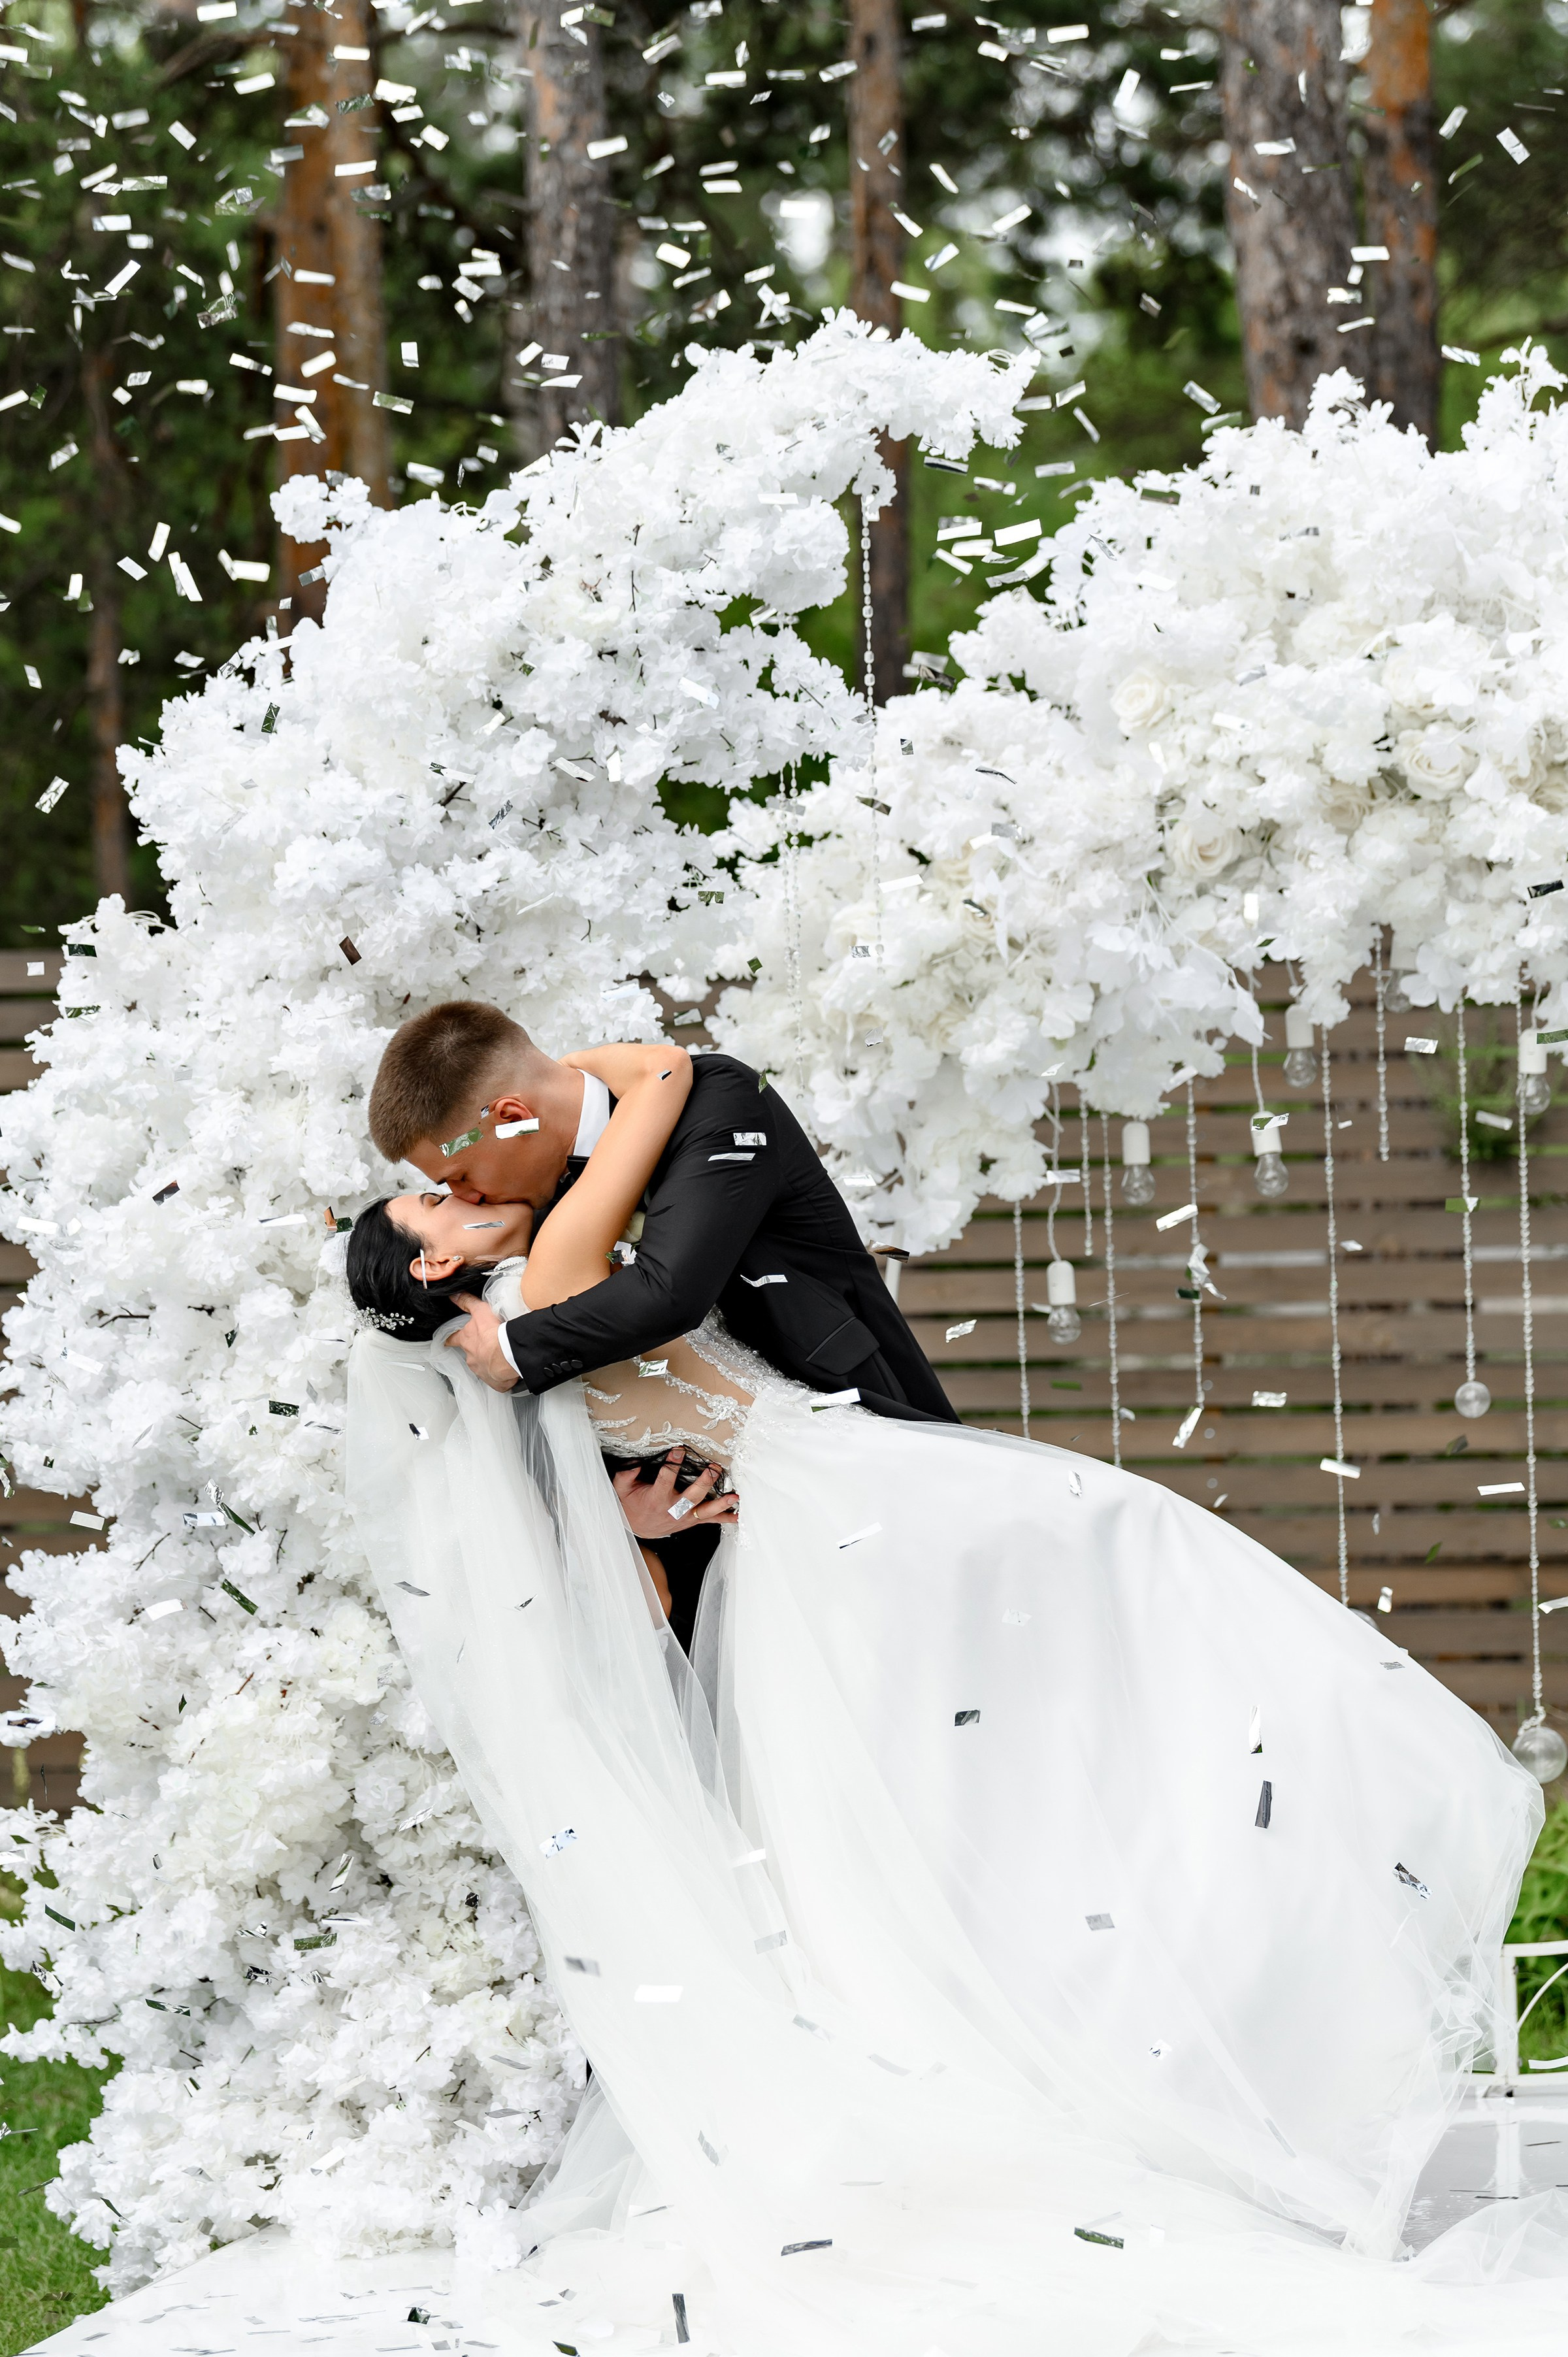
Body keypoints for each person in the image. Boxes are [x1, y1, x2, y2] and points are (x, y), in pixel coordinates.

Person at [344, 1025, 1560, 2356]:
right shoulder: (555, 1284)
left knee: (1002, 1765)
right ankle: (1163, 2039)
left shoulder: (535, 1319)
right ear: (437, 1269)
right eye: (436, 1204)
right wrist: (659, 1070)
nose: (459, 1199)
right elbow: (660, 1165)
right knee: (1132, 1622)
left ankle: (1189, 2035)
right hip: (846, 1508)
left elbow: (634, 1376)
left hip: (819, 1528)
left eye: (450, 1177)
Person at [364, 999, 955, 1424]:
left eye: (460, 1176)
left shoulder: (720, 1101)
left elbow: (671, 1291)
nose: (470, 1198)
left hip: (862, 1415)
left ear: (514, 1114)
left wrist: (516, 1349)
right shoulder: (541, 1213)